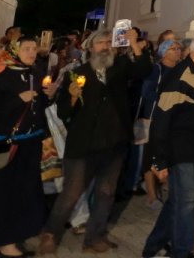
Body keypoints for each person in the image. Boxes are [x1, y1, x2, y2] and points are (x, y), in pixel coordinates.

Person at [38, 28, 152, 255]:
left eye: (109, 42)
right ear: (90, 48)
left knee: (106, 193)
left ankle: (94, 237)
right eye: (101, 43)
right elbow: (63, 112)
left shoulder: (120, 68)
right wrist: (71, 97)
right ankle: (50, 234)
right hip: (84, 146)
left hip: (114, 144)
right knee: (71, 193)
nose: (106, 46)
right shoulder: (75, 73)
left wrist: (134, 44)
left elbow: (144, 70)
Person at [142, 30, 194, 258]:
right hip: (180, 151)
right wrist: (159, 160)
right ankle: (182, 251)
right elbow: (161, 121)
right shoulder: (179, 77)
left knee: (176, 202)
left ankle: (152, 246)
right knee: (187, 201)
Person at [0, 36, 48, 258]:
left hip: (29, 145)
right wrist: (17, 100)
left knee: (19, 197)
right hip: (2, 148)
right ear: (14, 52)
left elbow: (37, 109)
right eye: (26, 48)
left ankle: (8, 244)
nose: (32, 52)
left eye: (34, 48)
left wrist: (50, 96)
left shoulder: (35, 76)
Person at [139, 39, 185, 206]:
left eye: (178, 48)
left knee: (169, 155)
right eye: (173, 49)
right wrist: (166, 99)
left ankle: (167, 188)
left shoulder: (182, 70)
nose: (178, 51)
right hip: (156, 119)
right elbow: (146, 92)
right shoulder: (156, 69)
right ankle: (152, 195)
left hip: (174, 120)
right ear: (164, 52)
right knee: (150, 156)